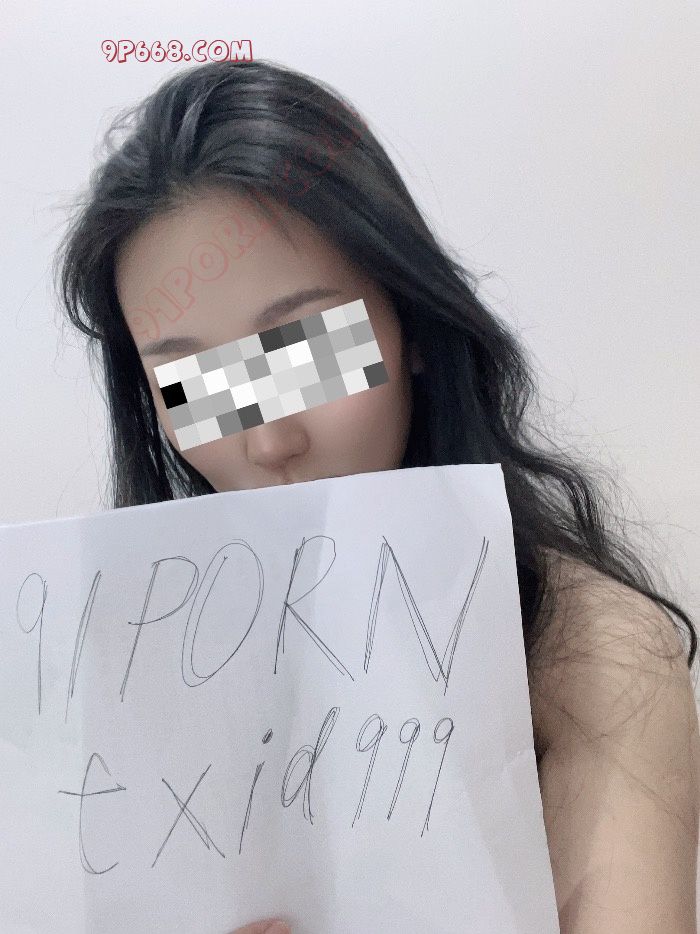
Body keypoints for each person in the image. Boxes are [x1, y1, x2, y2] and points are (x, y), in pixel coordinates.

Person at [53, 58, 699, 934]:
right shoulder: (131, 657)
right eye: (193, 383)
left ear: (413, 327)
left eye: (302, 348)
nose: (268, 439)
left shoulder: (588, 650)